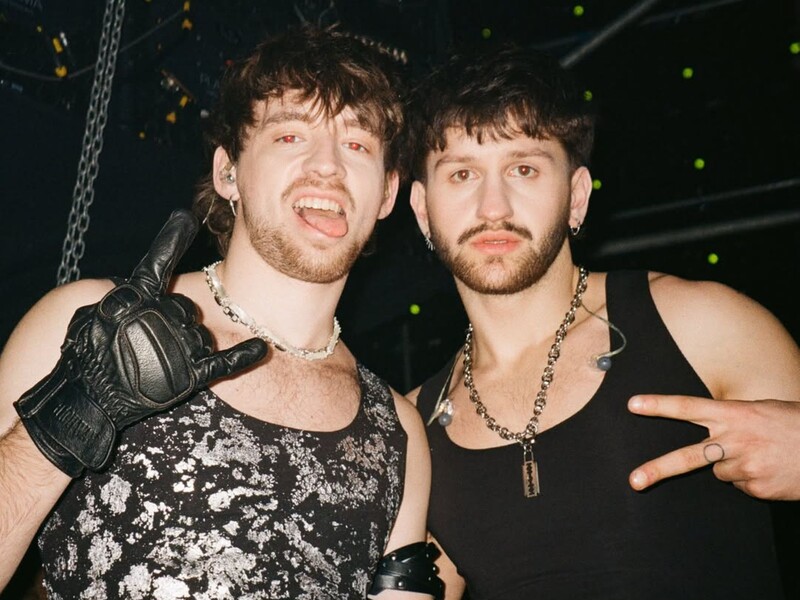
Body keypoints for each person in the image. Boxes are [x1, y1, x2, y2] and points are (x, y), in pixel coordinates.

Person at [0, 26, 443, 599]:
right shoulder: (85, 321)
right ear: (227, 172)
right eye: (290, 135)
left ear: (387, 194)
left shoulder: (398, 431)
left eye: (357, 144)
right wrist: (68, 418)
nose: (328, 166)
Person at [405, 43, 800, 599]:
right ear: (423, 210)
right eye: (463, 173)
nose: (493, 206)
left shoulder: (699, 324)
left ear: (577, 197)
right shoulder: (412, 431)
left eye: (523, 169)